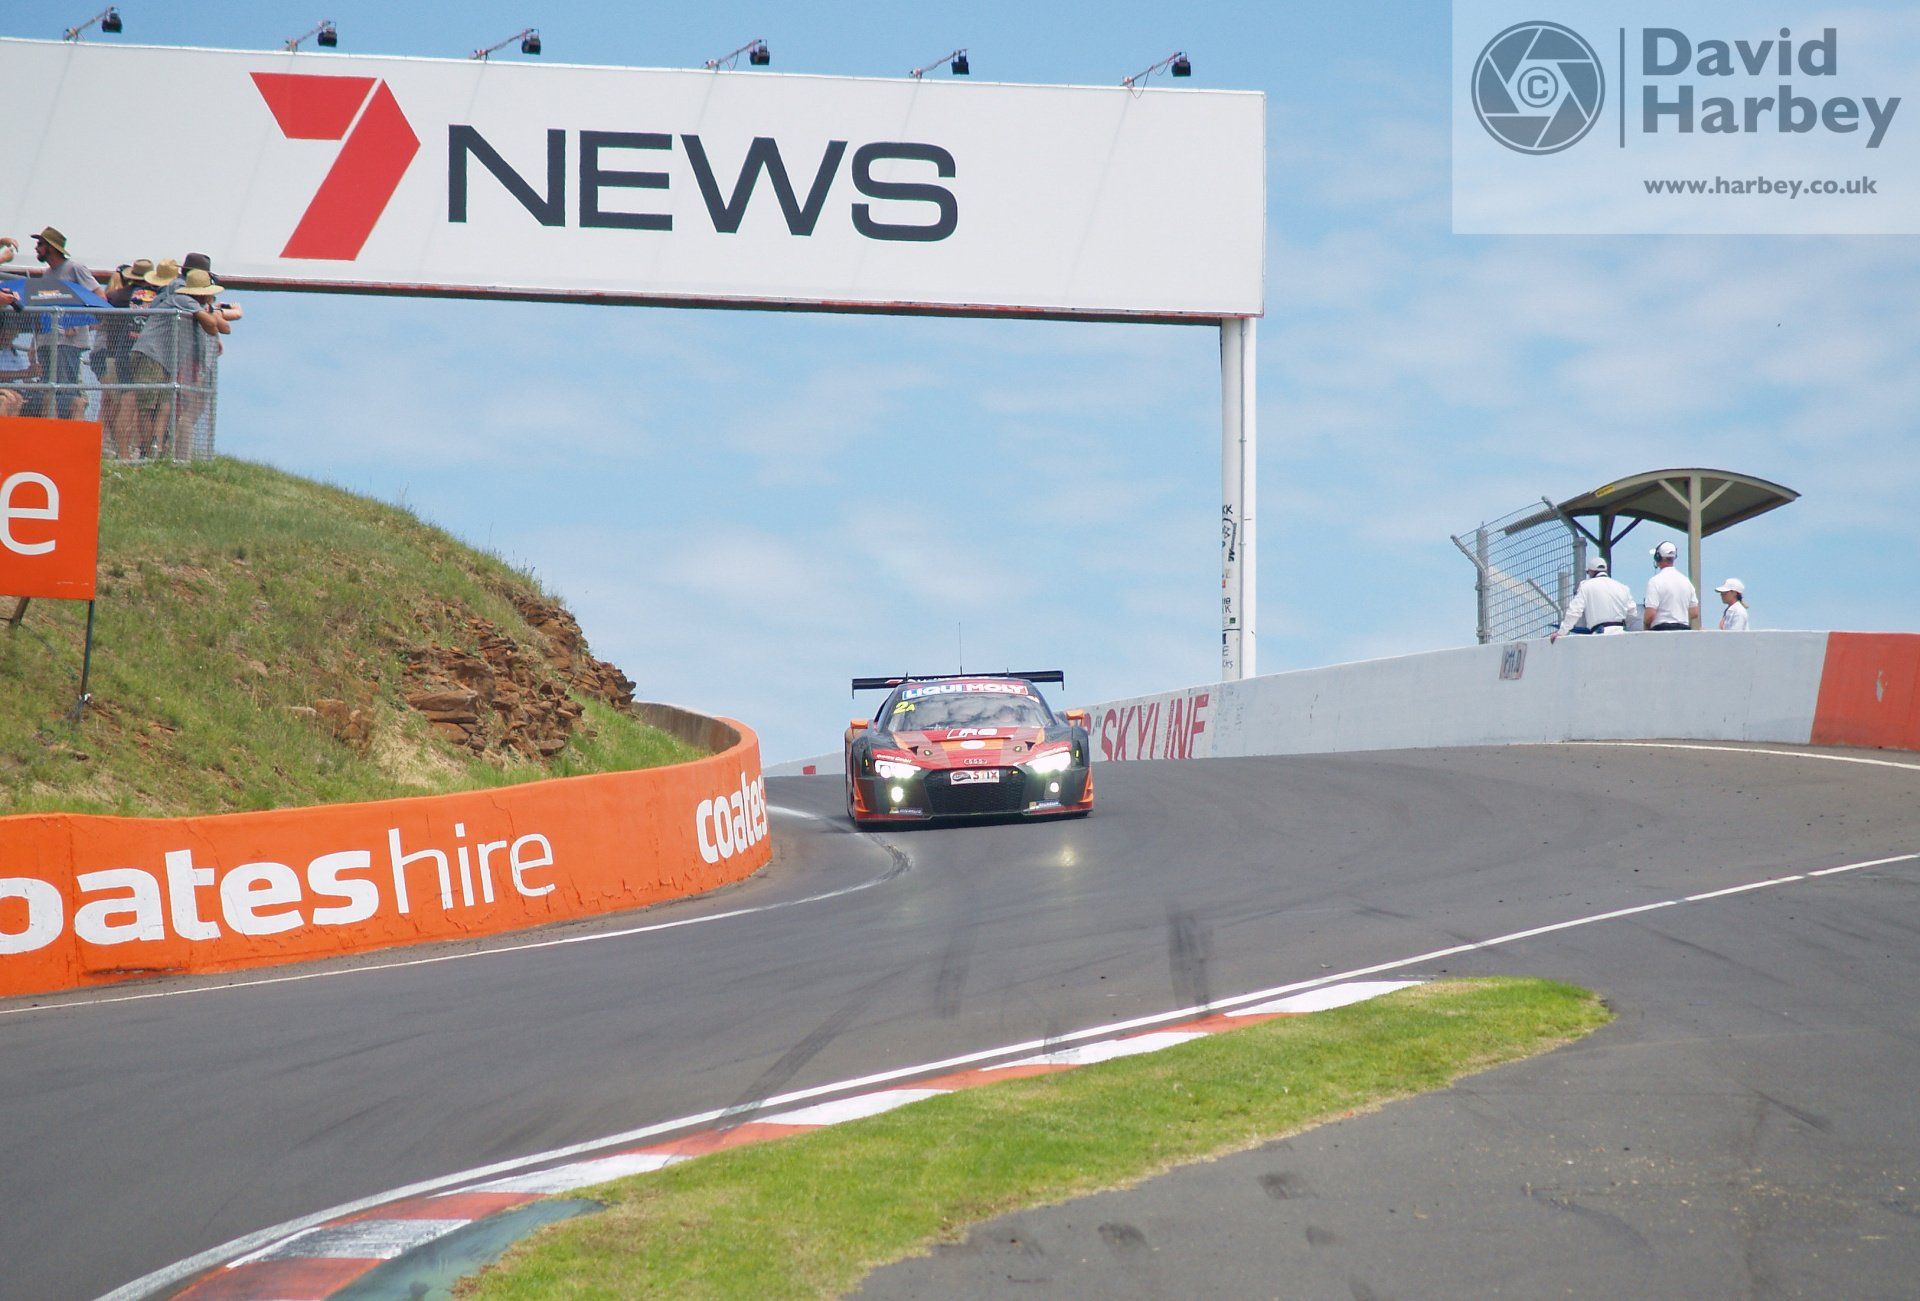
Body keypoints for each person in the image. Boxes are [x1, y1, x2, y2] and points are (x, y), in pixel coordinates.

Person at [128, 261, 226, 459]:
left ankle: (157, 448)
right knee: (147, 406)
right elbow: (212, 326)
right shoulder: (184, 299)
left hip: (165, 360)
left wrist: (213, 315)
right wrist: (212, 315)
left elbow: (223, 327)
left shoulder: (191, 302)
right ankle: (147, 452)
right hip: (151, 354)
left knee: (165, 404)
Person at [25, 226, 103, 420]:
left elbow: (99, 297)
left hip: (68, 343)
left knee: (65, 390)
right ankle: (51, 430)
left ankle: (66, 432)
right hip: (47, 341)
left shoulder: (75, 268)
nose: (36, 248)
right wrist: (34, 344)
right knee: (48, 390)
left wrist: (79, 324)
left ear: (51, 247)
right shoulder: (46, 275)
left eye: (40, 244)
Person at [96, 259, 158, 457]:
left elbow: (102, 322)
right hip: (144, 354)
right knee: (139, 406)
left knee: (122, 401)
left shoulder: (114, 296)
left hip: (117, 353)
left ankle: (121, 451)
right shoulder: (156, 298)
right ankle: (132, 451)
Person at [1550, 557, 1637, 643]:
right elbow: (1632, 614)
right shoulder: (1623, 587)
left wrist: (1561, 632)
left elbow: (1574, 611)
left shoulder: (1586, 586)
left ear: (1591, 571)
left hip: (1599, 635)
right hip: (1621, 634)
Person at [1643, 540, 1699, 631]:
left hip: (1661, 630)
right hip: (1684, 630)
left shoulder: (1655, 581)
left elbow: (1650, 615)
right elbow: (1694, 612)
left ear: (1658, 557)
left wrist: (1645, 626)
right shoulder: (1686, 581)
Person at [0, 310, 38, 417]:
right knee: (11, 399)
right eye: (6, 331)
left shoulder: (15, 354)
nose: (9, 336)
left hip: (21, 390)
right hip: (6, 390)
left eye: (13, 332)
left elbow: (26, 379)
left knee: (47, 398)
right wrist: (25, 373)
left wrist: (36, 379)